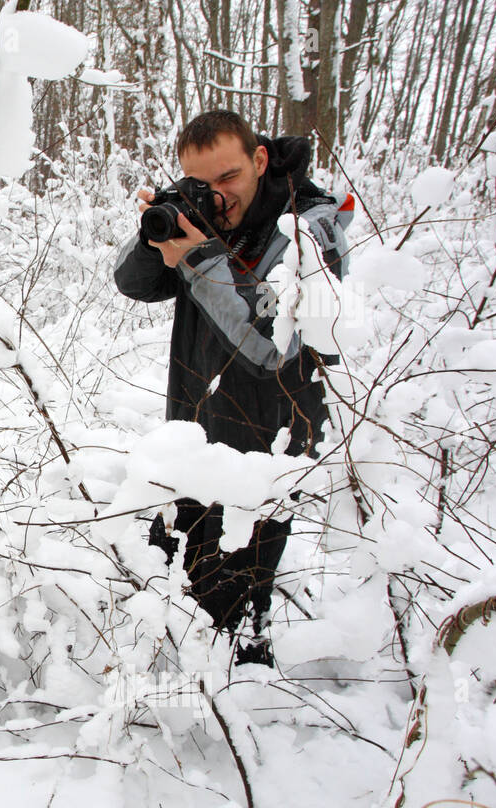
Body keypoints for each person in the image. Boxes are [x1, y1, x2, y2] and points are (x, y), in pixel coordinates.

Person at [113, 110, 354, 667]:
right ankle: (168, 685)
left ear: (260, 159)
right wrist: (164, 226)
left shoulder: (309, 231)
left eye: (228, 179)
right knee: (169, 571)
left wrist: (198, 258)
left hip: (264, 449)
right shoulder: (207, 217)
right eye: (203, 183)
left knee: (237, 597)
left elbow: (276, 344)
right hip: (195, 429)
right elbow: (134, 283)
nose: (218, 196)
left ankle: (241, 717)